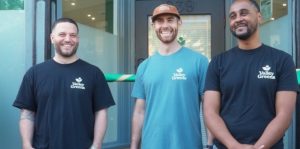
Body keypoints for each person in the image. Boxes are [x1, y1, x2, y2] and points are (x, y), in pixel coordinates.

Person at [203, 0, 299, 149]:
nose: (238, 19)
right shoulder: (218, 63)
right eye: (233, 16)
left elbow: (284, 116)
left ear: (259, 17)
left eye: (244, 13)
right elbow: (210, 112)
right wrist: (233, 146)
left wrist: (259, 147)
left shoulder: (282, 60)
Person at [13, 18, 115, 149]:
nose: (68, 39)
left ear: (77, 39)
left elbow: (101, 112)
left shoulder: (93, 73)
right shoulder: (34, 73)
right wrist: (27, 145)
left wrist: (96, 145)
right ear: (52, 38)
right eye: (62, 34)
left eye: (73, 35)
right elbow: (27, 113)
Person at [130, 4, 209, 149]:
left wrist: (210, 145)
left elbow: (209, 109)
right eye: (160, 21)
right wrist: (134, 145)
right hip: (151, 145)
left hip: (189, 145)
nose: (165, 25)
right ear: (153, 25)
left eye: (170, 20)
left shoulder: (199, 62)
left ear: (179, 23)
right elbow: (139, 111)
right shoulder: (144, 67)